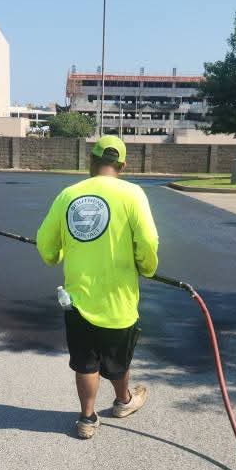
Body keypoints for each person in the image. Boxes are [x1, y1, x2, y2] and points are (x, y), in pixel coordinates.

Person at [36, 135, 159, 439]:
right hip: (119, 299)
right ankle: (123, 401)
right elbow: (148, 241)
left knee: (86, 361)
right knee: (119, 358)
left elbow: (45, 242)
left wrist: (56, 255)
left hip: (78, 299)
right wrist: (146, 267)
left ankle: (87, 419)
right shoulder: (133, 194)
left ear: (90, 160)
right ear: (123, 165)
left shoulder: (68, 195)